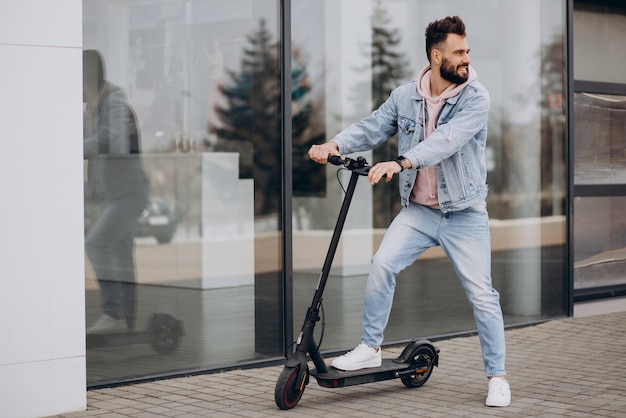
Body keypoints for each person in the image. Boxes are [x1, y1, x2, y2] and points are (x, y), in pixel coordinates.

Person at [308, 16, 510, 407]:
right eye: (459, 52)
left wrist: (400, 163)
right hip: (420, 212)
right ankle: (370, 346)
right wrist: (335, 142)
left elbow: (444, 143)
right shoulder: (405, 97)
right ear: (437, 57)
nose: (467, 58)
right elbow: (373, 127)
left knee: (482, 295)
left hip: (463, 214)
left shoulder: (475, 97)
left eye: (467, 51)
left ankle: (497, 376)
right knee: (382, 263)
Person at [83, 49, 149, 334]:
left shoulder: (114, 102)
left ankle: (114, 315)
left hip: (129, 194)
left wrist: (72, 147)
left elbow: (114, 141)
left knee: (97, 243)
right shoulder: (93, 107)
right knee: (121, 254)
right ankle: (124, 323)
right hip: (114, 195)